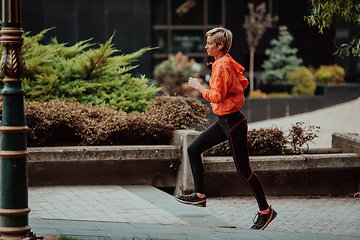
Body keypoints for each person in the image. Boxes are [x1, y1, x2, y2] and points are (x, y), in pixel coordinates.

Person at [174, 27, 277, 230]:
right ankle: (199, 195)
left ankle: (266, 211)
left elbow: (216, 96)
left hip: (233, 123)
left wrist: (199, 87)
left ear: (219, 46)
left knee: (244, 170)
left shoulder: (222, 65)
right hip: (224, 121)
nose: (206, 46)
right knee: (193, 149)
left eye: (209, 43)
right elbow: (242, 82)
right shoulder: (226, 61)